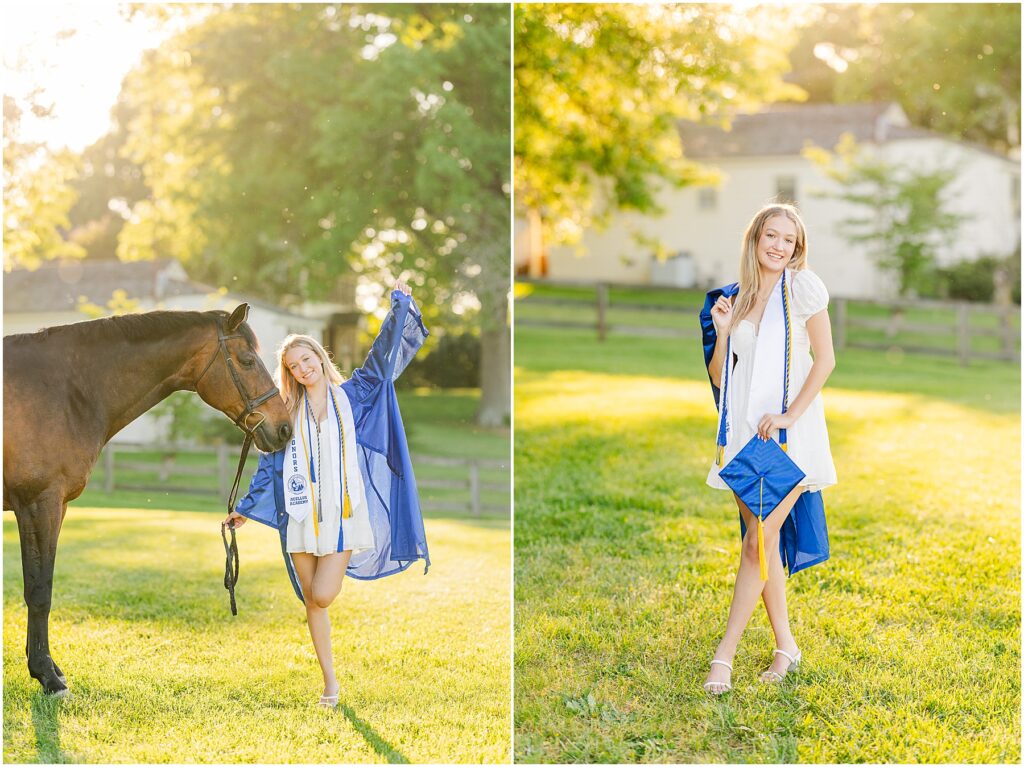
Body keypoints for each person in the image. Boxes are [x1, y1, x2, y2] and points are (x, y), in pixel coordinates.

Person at [225, 280, 430, 708]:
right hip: (300, 515)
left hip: (342, 516)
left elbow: (382, 358)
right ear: (290, 373)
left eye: (307, 359)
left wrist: (399, 307)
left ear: (320, 357)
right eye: (295, 366)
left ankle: (331, 680)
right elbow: (270, 463)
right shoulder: (288, 411)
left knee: (322, 595)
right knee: (311, 604)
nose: (304, 369)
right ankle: (330, 684)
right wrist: (245, 509)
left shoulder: (351, 396)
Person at [699, 203, 836, 695]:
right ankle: (787, 648)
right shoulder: (737, 297)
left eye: (789, 239)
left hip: (783, 438)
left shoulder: (801, 288)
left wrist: (789, 416)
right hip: (740, 438)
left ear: (797, 248)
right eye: (771, 236)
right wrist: (722, 333)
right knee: (763, 542)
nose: (779, 246)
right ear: (755, 237)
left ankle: (725, 655)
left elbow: (826, 360)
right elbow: (720, 377)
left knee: (757, 541)